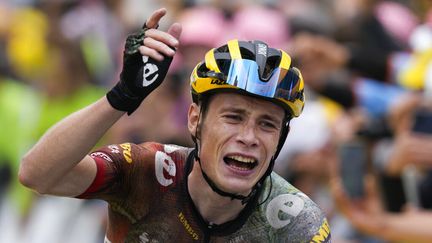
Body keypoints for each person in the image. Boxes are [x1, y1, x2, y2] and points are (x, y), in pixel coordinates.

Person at [18, 8, 331, 242]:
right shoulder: (146, 171)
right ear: (195, 119)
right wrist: (121, 96)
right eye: (233, 117)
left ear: (281, 138)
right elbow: (36, 174)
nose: (248, 137)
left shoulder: (295, 223)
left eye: (267, 124)